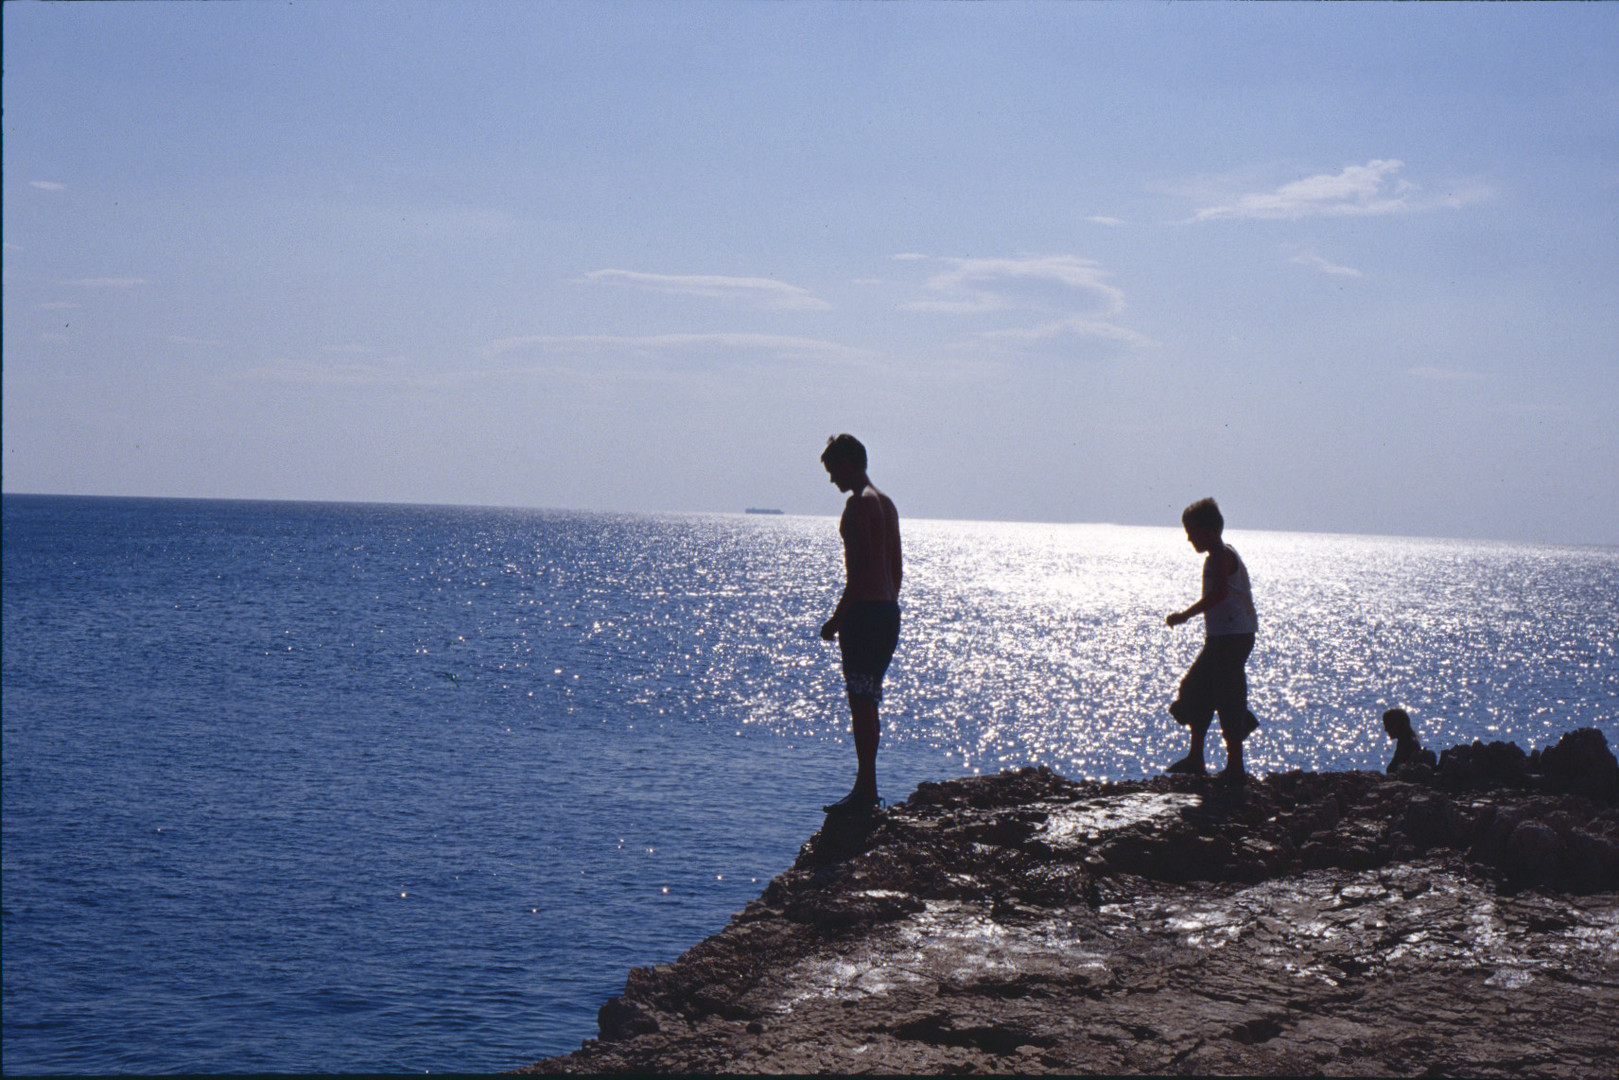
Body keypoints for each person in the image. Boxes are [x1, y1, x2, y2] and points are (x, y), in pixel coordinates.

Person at [819, 434, 902, 814]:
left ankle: (866, 788)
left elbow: (860, 569)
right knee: (869, 699)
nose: (832, 479)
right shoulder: (887, 503)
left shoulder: (857, 507)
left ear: (848, 464)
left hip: (865, 615)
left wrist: (837, 619)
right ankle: (866, 785)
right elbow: (895, 568)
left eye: (833, 469)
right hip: (887, 612)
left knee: (860, 700)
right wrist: (888, 605)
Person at [1164, 497, 1259, 783]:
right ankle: (1197, 756)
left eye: (1191, 532)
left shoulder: (1221, 555)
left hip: (1233, 638)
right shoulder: (1214, 556)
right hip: (1221, 637)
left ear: (1208, 531)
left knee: (1224, 695)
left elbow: (1219, 594)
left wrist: (1184, 615)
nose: (1189, 538)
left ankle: (1234, 765)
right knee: (1200, 689)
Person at [1382, 708, 1435, 773]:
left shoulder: (1408, 744)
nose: (1385, 729)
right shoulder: (1403, 741)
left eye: (1388, 725)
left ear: (1397, 725)